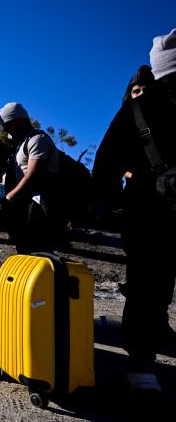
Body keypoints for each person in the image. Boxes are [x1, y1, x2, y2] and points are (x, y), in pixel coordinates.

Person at [93, 29, 176, 394]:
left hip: (146, 212)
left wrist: (110, 207)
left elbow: (105, 163)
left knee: (145, 286)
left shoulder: (135, 109)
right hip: (153, 212)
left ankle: (141, 365)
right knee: (156, 288)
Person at [0, 102, 61, 254]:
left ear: (19, 120)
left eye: (8, 125)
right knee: (24, 251)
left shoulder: (38, 140)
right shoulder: (21, 143)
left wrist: (9, 196)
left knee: (40, 253)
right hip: (26, 207)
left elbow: (33, 175)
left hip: (40, 207)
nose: (6, 130)